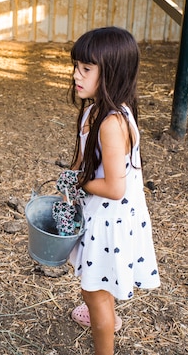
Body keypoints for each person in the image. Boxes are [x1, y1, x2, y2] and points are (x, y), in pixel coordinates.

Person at [65, 27, 160, 354]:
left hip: (111, 220)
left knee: (94, 292)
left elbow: (115, 188)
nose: (76, 75)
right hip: (100, 214)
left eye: (86, 69)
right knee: (97, 285)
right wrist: (74, 174)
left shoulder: (111, 123)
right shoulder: (93, 110)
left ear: (111, 74)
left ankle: (104, 330)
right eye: (76, 66)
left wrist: (78, 181)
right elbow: (82, 156)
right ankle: (105, 315)